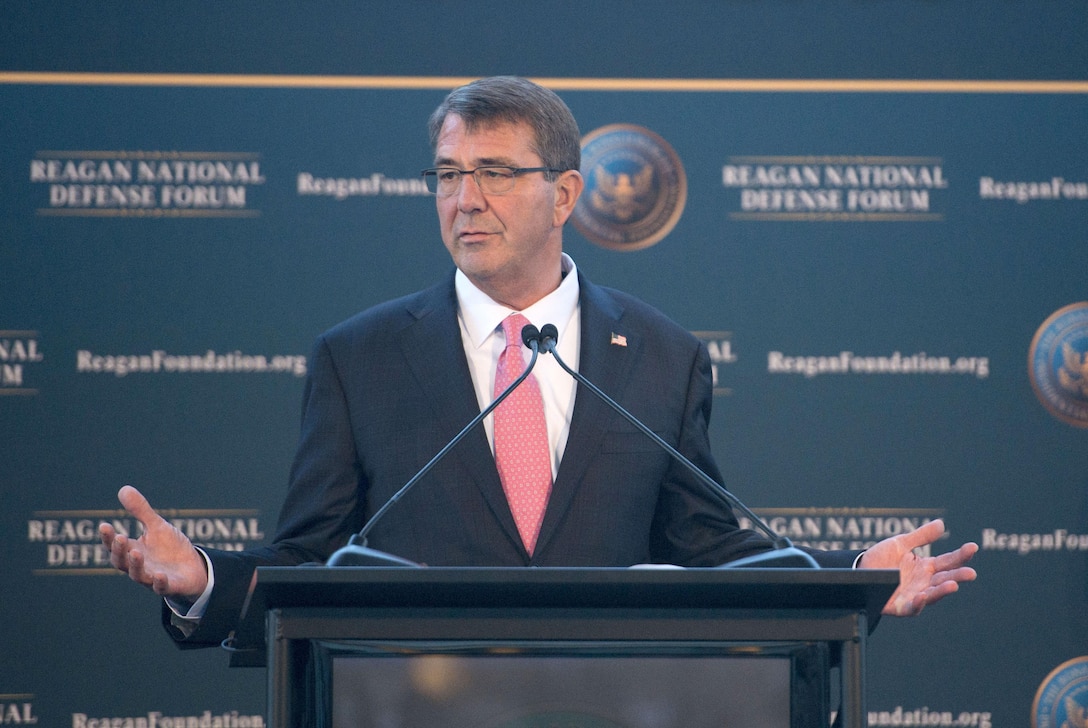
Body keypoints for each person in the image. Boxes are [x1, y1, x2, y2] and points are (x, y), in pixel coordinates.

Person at [100, 76, 977, 647]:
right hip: (409, 703)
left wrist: (852, 582)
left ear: (564, 193)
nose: (463, 199)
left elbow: (712, 550)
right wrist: (207, 580)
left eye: (492, 172)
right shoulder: (357, 358)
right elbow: (312, 561)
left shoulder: (662, 357)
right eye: (445, 175)